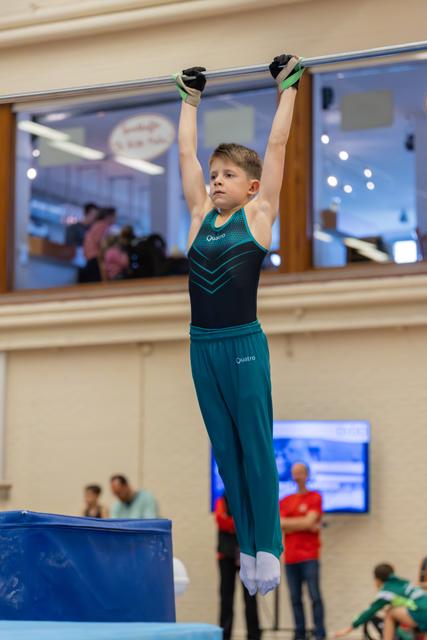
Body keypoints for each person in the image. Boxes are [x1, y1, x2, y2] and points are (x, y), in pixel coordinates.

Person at [175, 53, 303, 596]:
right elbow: (184, 151)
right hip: (201, 346)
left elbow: (275, 150)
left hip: (243, 345)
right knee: (225, 452)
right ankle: (247, 547)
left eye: (229, 174)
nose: (216, 179)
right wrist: (189, 100)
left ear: (252, 188)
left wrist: (289, 87)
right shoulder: (199, 216)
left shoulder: (258, 216)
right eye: (214, 173)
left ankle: (268, 548)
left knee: (254, 444)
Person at [280, 462, 326, 640]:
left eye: (300, 473)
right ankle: (299, 634)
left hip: (310, 556)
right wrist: (304, 524)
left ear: (307, 474)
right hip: (291, 558)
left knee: (315, 597)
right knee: (295, 599)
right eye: (294, 473)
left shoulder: (315, 497)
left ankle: (319, 634)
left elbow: (309, 522)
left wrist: (293, 525)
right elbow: (281, 523)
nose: (297, 476)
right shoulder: (285, 500)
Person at [333, 563, 427, 640]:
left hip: (422, 612)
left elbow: (370, 611)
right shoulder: (403, 582)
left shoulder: (387, 591)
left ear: (377, 579)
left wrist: (349, 628)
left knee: (390, 613)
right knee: (393, 609)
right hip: (421, 609)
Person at [215, 493, 261, 640]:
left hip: (247, 555)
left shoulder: (250, 499)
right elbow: (222, 521)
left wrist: (236, 524)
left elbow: (255, 521)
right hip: (226, 556)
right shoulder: (221, 501)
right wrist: (242, 523)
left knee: (250, 597)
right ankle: (225, 635)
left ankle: (254, 635)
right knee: (226, 598)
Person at [82, 207, 117, 282]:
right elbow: (100, 241)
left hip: (90, 257)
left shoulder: (97, 224)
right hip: (95, 258)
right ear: (108, 216)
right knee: (96, 283)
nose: (115, 219)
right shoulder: (103, 225)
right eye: (114, 216)